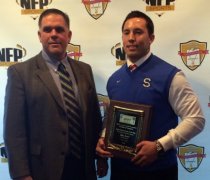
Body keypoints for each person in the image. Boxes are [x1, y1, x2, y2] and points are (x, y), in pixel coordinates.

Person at [96, 10, 205, 180]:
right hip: (120, 171)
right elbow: (110, 119)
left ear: (151, 38)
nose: (131, 37)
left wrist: (159, 146)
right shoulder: (114, 79)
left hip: (158, 172)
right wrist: (103, 139)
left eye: (138, 32)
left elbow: (196, 119)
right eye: (126, 32)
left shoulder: (171, 76)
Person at [3, 8, 105, 180]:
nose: (53, 34)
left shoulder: (85, 70)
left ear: (69, 35)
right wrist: (21, 174)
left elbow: (94, 119)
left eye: (59, 29)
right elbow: (14, 130)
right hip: (43, 169)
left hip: (83, 168)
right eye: (47, 29)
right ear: (39, 35)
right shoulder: (20, 73)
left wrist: (101, 158)